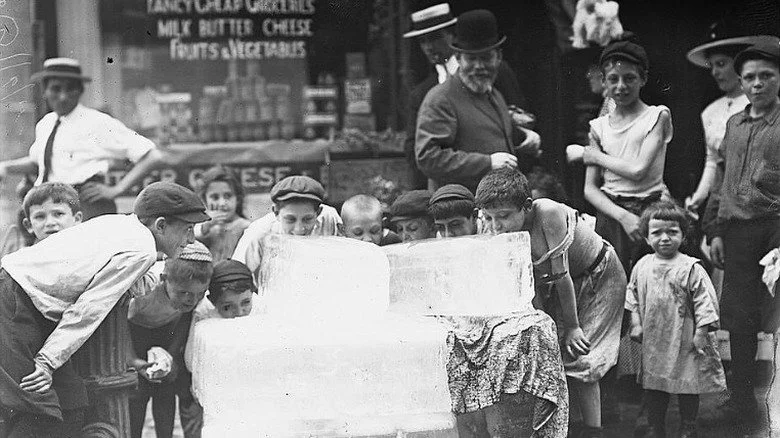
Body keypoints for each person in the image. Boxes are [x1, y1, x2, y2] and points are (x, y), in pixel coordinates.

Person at [0, 181, 208, 437]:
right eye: (187, 229)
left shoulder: (124, 225)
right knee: (37, 406)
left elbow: (134, 285)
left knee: (71, 404)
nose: (191, 239)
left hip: (25, 301)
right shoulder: (140, 248)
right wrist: (47, 361)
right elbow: (90, 308)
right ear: (161, 225)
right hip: (11, 299)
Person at [476, 167, 627, 438]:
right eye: (490, 217)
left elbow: (562, 274)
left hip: (599, 274)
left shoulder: (549, 213)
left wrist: (572, 326)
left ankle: (594, 431)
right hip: (557, 286)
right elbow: (529, 281)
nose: (497, 226)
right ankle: (569, 425)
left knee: (582, 355)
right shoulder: (495, 225)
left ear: (527, 206)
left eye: (504, 216)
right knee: (553, 351)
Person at [424, 182, 569, 437]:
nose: (448, 235)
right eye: (441, 229)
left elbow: (523, 292)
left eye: (456, 225)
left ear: (474, 219)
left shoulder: (497, 242)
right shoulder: (440, 249)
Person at [705, 40, 780, 423]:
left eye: (766, 75)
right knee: (740, 317)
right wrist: (716, 228)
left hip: (776, 228)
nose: (757, 83)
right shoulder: (734, 124)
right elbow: (723, 181)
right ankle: (743, 402)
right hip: (738, 232)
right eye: (749, 77)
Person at [0, 58, 163, 220]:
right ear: (45, 91)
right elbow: (41, 163)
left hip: (85, 205)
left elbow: (152, 156)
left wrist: (117, 189)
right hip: (51, 205)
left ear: (80, 91)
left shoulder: (97, 122)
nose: (63, 96)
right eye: (56, 89)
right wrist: (5, 167)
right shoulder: (46, 124)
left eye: (70, 89)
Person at [567, 41, 673, 274]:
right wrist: (623, 217)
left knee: (654, 278)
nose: (621, 86)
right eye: (613, 78)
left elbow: (638, 171)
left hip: (651, 211)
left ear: (643, 79)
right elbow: (590, 189)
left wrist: (592, 155)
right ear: (604, 82)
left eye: (630, 78)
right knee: (613, 282)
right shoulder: (599, 127)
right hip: (613, 215)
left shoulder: (656, 116)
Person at [626, 201, 726, 438]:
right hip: (655, 337)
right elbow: (633, 296)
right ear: (647, 237)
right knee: (655, 385)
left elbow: (705, 301)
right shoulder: (642, 266)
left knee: (687, 382)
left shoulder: (691, 268)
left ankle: (688, 425)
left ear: (683, 235)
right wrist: (636, 323)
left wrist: (702, 332)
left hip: (685, 337)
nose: (665, 238)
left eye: (672, 232)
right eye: (657, 233)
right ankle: (655, 425)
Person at [402, 3, 530, 189]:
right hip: (461, 210)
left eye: (486, 57)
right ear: (459, 58)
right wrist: (487, 163)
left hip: (497, 205)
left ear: (499, 58)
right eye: (471, 59)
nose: (479, 66)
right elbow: (427, 158)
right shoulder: (439, 98)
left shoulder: (495, 95)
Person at [127, 241, 214, 438]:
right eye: (184, 293)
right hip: (135, 334)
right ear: (164, 279)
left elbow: (185, 317)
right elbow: (119, 323)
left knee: (166, 392)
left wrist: (173, 355)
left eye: (199, 294)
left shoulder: (189, 299)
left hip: (167, 333)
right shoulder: (145, 289)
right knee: (137, 395)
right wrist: (132, 360)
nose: (192, 300)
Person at [232, 175, 341, 285]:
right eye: (290, 219)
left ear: (318, 213)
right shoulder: (259, 233)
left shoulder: (330, 219)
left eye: (307, 219)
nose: (299, 229)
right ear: (276, 212)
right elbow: (236, 277)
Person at [195, 165, 251, 261]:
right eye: (215, 197)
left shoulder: (246, 227)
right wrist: (207, 225)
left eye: (228, 196)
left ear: (237, 198)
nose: (222, 203)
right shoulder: (204, 229)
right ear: (205, 200)